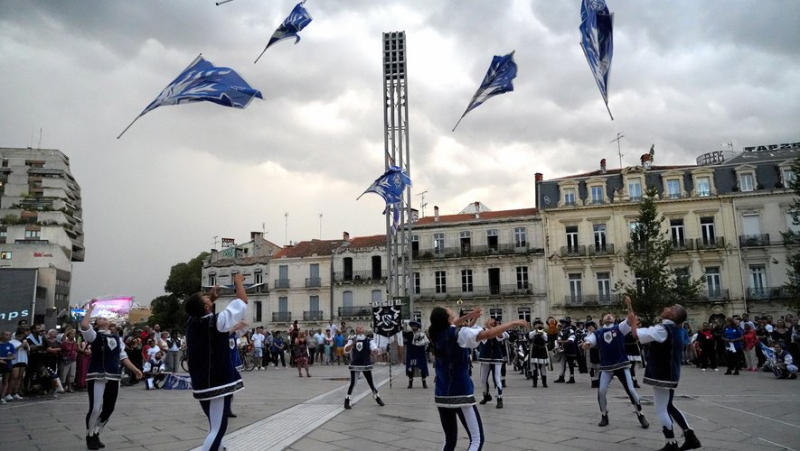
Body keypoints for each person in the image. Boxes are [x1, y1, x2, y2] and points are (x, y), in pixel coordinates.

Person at [429, 307, 526, 451]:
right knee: (476, 439)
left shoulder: (434, 332)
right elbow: (487, 334)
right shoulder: (460, 333)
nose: (451, 309)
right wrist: (512, 323)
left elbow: (452, 323)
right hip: (461, 390)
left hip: (442, 391)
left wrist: (469, 316)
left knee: (449, 440)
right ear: (448, 319)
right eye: (449, 310)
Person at [184, 273, 248, 451]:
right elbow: (242, 302)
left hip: (201, 380)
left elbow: (200, 313)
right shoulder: (218, 321)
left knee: (214, 424)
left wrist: (210, 298)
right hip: (217, 380)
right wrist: (238, 282)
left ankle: (219, 448)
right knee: (218, 429)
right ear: (206, 307)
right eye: (205, 297)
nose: (208, 295)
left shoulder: (191, 322)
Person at [629, 302, 701, 451]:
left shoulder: (663, 329)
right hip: (671, 372)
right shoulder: (679, 330)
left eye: (669, 308)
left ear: (673, 315)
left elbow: (636, 335)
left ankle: (671, 442)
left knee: (661, 408)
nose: (665, 308)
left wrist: (633, 323)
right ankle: (690, 436)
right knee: (669, 405)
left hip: (662, 373)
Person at [80, 300, 143, 450]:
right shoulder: (94, 336)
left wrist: (135, 369)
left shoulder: (116, 338)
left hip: (114, 376)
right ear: (96, 324)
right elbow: (84, 326)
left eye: (105, 317)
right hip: (98, 375)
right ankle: (89, 435)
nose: (104, 318)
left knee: (109, 408)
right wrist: (90, 310)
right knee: (95, 408)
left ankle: (96, 432)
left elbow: (123, 357)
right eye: (100, 318)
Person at [582, 298, 649, 429]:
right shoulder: (598, 333)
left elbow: (630, 318)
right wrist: (586, 344)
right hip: (606, 367)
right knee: (601, 391)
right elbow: (589, 341)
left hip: (622, 364)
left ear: (613, 319)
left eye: (610, 315)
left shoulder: (620, 328)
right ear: (601, 321)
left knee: (631, 390)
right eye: (605, 315)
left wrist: (629, 305)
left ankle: (640, 414)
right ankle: (604, 415)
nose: (608, 316)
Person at [343, 326, 384, 409]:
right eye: (358, 327)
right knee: (353, 383)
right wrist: (352, 344)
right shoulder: (352, 338)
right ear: (356, 330)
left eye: (361, 327)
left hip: (365, 364)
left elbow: (374, 347)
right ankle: (347, 399)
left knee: (371, 382)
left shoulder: (368, 339)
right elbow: (346, 350)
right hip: (355, 364)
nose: (360, 329)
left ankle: (376, 396)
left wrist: (375, 350)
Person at [477, 317, 509, 408]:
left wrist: (491, 328)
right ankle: (486, 395)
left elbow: (500, 337)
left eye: (491, 320)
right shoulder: (481, 330)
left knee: (496, 379)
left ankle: (499, 398)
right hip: (485, 357)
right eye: (489, 319)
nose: (489, 320)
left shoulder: (500, 330)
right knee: (483, 379)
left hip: (496, 357)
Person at [404, 320, 430, 389]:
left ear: (417, 327)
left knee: (422, 368)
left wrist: (426, 350)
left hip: (420, 354)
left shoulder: (422, 334)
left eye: (414, 326)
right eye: (412, 326)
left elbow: (426, 344)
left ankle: (424, 382)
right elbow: (403, 337)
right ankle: (410, 382)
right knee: (411, 368)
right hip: (411, 354)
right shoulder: (408, 334)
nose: (413, 327)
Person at [528, 318, 550, 388]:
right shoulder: (532, 332)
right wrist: (536, 331)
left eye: (539, 325)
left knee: (543, 367)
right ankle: (535, 383)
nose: (538, 326)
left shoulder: (544, 333)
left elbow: (546, 339)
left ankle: (544, 383)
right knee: (534, 367)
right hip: (534, 351)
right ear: (534, 326)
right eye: (536, 325)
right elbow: (530, 337)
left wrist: (541, 332)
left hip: (542, 351)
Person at [554, 319, 577, 384]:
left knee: (570, 364)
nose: (561, 325)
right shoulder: (562, 331)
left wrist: (561, 341)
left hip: (570, 349)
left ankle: (572, 378)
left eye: (563, 324)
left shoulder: (570, 330)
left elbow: (571, 340)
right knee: (562, 363)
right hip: (563, 349)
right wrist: (558, 341)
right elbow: (559, 337)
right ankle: (561, 377)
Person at [59, 329, 78, 393]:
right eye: (71, 334)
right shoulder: (64, 343)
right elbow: (61, 350)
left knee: (72, 374)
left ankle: (70, 387)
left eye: (74, 334)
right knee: (64, 374)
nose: (73, 335)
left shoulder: (75, 343)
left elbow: (76, 349)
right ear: (68, 335)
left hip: (73, 359)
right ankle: (63, 387)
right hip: (66, 360)